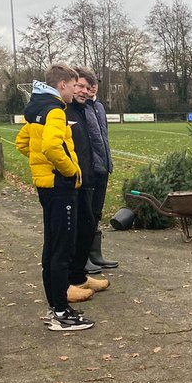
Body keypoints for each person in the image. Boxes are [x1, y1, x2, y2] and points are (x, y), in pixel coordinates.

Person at [15, 63, 94, 332]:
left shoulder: (36, 109)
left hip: (45, 187)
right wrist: (71, 171)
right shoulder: (56, 110)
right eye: (74, 85)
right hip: (61, 189)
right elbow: (50, 146)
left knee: (51, 247)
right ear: (62, 85)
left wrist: (41, 166)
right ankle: (60, 312)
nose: (76, 91)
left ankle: (56, 307)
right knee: (62, 250)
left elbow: (23, 144)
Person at [66, 73, 110, 298]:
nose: (84, 90)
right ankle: (68, 282)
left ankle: (79, 276)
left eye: (88, 86)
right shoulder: (63, 111)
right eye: (79, 86)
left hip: (91, 176)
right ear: (69, 86)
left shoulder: (87, 109)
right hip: (73, 180)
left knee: (89, 223)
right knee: (72, 231)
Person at [79, 70, 117, 271]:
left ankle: (95, 253)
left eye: (95, 83)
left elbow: (104, 137)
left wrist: (107, 162)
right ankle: (83, 256)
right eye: (88, 84)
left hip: (103, 167)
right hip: (90, 169)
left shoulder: (99, 107)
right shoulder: (80, 107)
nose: (92, 87)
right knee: (86, 214)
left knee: (96, 213)